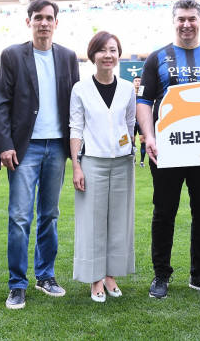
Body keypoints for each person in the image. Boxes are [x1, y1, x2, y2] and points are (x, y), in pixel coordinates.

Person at [136, 0, 200, 299]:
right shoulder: (157, 58)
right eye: (181, 19)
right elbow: (144, 102)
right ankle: (161, 274)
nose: (186, 24)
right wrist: (149, 136)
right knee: (165, 213)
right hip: (167, 149)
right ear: (173, 21)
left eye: (191, 18)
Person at [0, 0, 80, 309]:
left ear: (57, 23)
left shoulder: (68, 57)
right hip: (24, 148)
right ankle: (17, 284)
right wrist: (5, 144)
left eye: (49, 18)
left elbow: (76, 101)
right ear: (28, 21)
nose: (43, 23)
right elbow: (1, 102)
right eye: (38, 18)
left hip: (57, 146)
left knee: (50, 215)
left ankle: (46, 276)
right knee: (19, 217)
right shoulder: (13, 55)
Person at [70, 31, 136, 302]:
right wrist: (76, 165)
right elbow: (75, 127)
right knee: (92, 222)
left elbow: (130, 123)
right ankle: (95, 278)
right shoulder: (80, 89)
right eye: (102, 50)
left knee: (119, 221)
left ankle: (111, 275)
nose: (108, 55)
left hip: (122, 162)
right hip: (92, 162)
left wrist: (129, 148)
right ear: (93, 55)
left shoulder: (128, 88)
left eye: (113, 50)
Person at [132, 76, 147, 167]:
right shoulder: (129, 93)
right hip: (132, 121)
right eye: (136, 81)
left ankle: (142, 161)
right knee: (131, 140)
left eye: (139, 81)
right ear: (133, 82)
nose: (137, 82)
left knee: (142, 140)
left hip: (141, 120)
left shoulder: (144, 93)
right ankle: (133, 160)